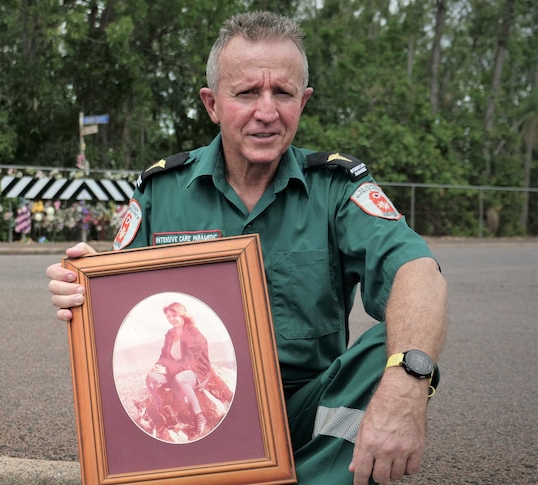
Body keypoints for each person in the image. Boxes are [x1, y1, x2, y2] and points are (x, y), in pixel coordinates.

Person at [47, 10, 447, 485]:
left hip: (306, 411)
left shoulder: (337, 188)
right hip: (213, 414)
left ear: (305, 99)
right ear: (212, 103)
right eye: (246, 93)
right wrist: (85, 288)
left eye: (283, 92)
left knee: (401, 346)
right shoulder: (161, 191)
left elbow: (418, 272)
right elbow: (121, 314)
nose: (266, 111)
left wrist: (405, 388)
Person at [146, 302, 212, 439]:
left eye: (174, 315)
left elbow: (190, 361)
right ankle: (167, 414)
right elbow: (164, 355)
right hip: (174, 371)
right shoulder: (170, 334)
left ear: (183, 314)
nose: (171, 319)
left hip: (195, 372)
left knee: (180, 379)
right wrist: (158, 365)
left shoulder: (193, 332)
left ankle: (199, 417)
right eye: (168, 316)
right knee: (151, 377)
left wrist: (168, 369)